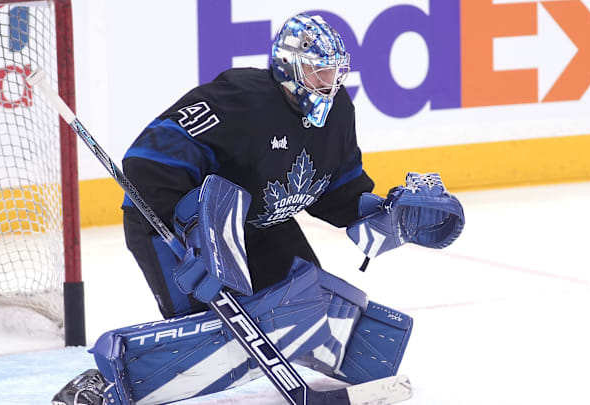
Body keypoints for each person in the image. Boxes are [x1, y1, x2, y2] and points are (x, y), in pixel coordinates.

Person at [52, 13, 464, 405]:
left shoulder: (338, 110)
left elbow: (336, 188)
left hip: (255, 226)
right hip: (167, 223)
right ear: (288, 66)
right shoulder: (240, 101)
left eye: (336, 72)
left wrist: (380, 212)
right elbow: (146, 162)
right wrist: (192, 239)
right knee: (217, 336)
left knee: (302, 305)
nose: (330, 82)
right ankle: (103, 384)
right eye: (319, 71)